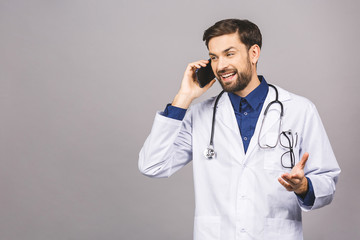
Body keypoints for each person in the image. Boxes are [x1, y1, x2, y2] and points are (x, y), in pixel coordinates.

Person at [138, 19, 340, 240]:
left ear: (254, 53)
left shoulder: (299, 110)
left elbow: (327, 181)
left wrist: (304, 187)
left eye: (229, 54)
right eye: (214, 57)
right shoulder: (200, 115)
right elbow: (152, 165)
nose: (220, 65)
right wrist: (183, 98)